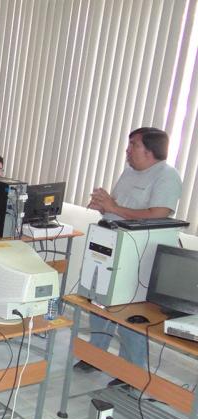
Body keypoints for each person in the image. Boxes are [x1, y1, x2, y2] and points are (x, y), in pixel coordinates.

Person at [75, 127, 182, 378]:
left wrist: (114, 207)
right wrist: (104, 205)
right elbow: (118, 207)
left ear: (151, 150)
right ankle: (95, 356)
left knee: (130, 312)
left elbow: (158, 214)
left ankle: (130, 373)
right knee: (99, 302)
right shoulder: (129, 171)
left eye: (133, 145)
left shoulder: (167, 176)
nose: (128, 149)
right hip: (109, 243)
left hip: (137, 254)